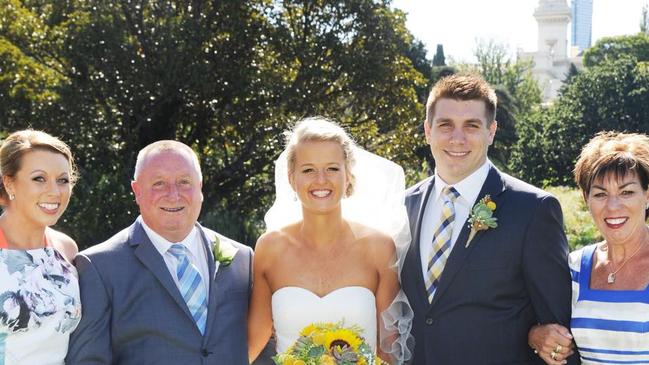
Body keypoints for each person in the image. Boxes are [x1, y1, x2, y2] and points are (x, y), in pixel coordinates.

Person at [401, 74, 578, 364]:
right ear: (427, 130)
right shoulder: (403, 206)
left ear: (491, 131)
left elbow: (558, 333)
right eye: (445, 125)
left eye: (472, 125)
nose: (457, 138)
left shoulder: (533, 210)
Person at [66, 140, 253, 364]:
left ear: (200, 187)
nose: (173, 195)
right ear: (136, 191)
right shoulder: (99, 266)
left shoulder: (243, 259)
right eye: (159, 183)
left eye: (184, 182)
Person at [247, 117, 413, 364]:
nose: (321, 180)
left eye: (332, 168)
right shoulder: (270, 249)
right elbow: (250, 345)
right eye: (308, 170)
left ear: (348, 176)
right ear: (292, 178)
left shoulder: (379, 248)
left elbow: (387, 350)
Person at [529, 131, 649, 364]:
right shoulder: (573, 267)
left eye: (626, 192)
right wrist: (536, 336)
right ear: (586, 199)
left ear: (647, 195)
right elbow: (537, 324)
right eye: (600, 194)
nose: (613, 206)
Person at [0, 129, 80, 365]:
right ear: (9, 183)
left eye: (62, 180)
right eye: (39, 178)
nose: (54, 192)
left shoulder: (66, 249)